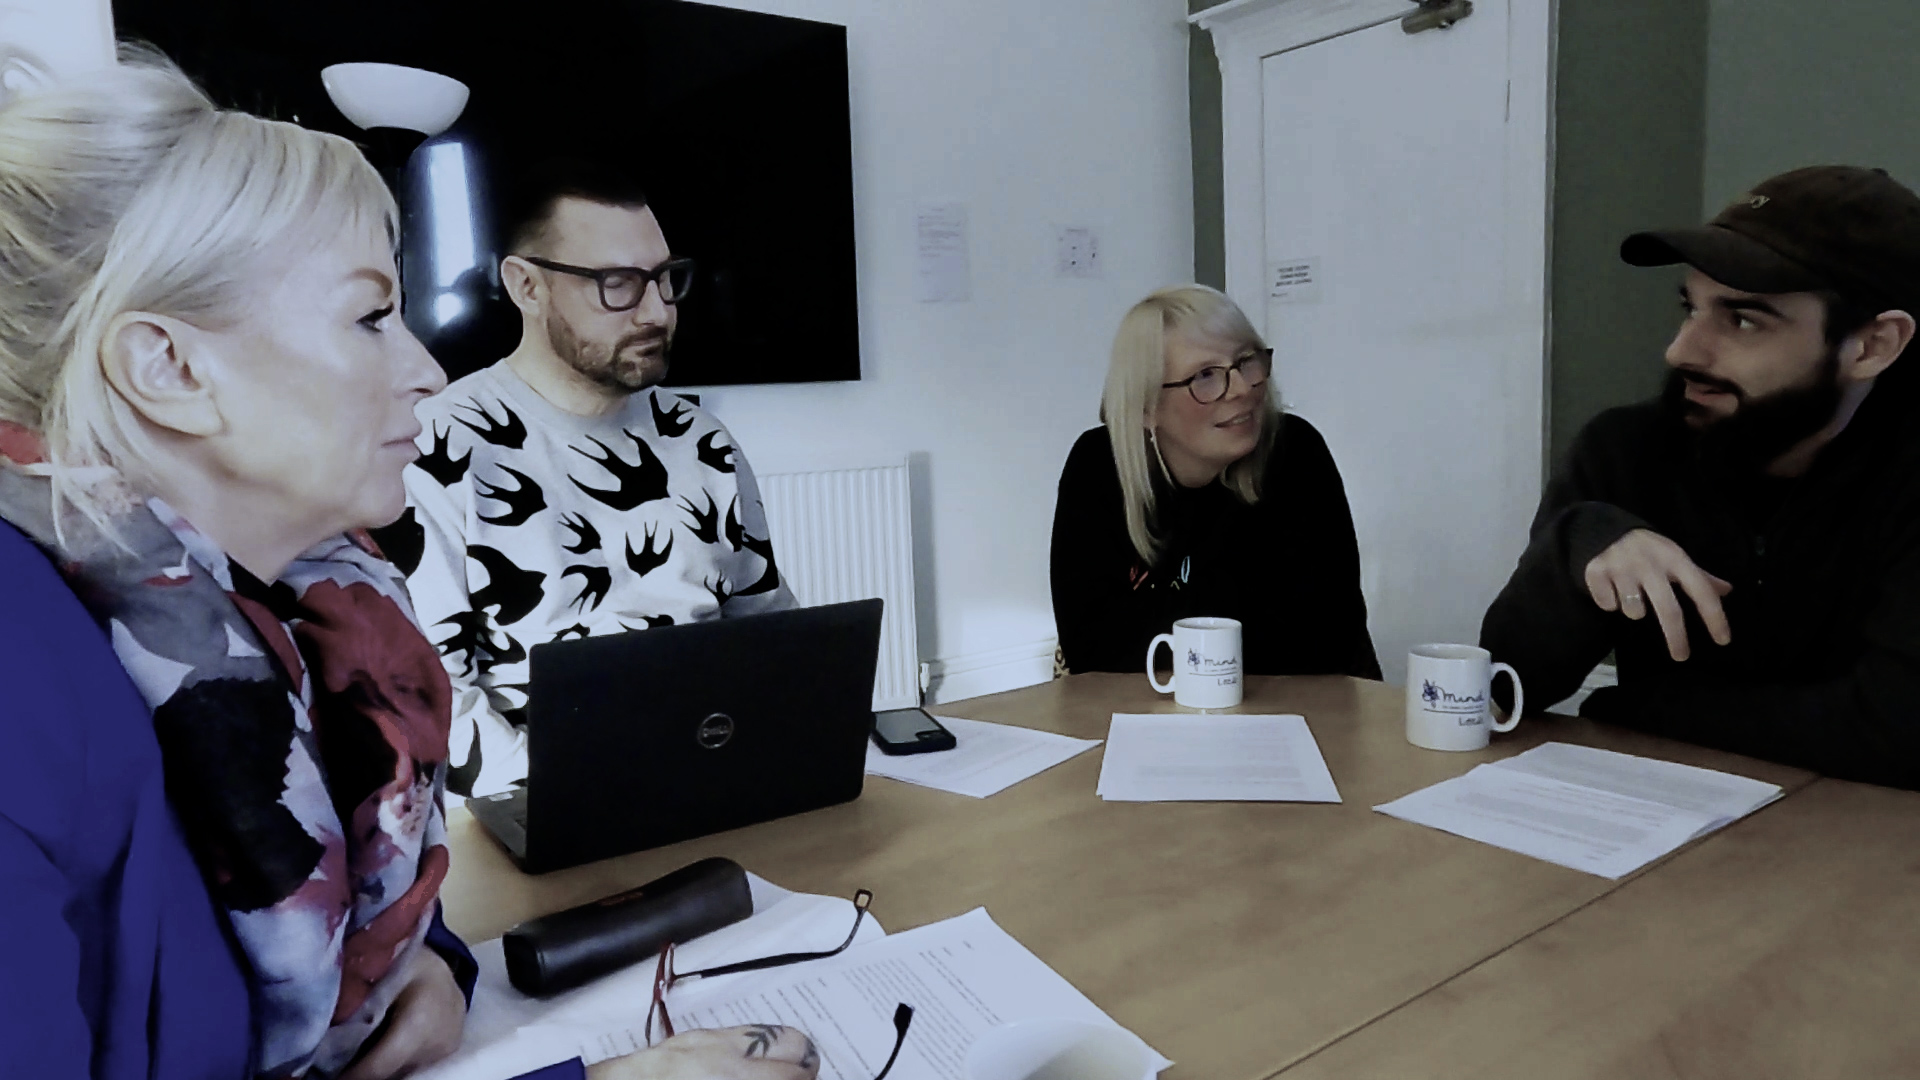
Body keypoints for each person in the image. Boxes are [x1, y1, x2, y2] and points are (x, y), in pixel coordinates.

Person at [0, 53, 817, 1080]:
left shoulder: (317, 606)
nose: (427, 370)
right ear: (170, 368)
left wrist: (420, 965)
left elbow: (349, 886)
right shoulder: (20, 681)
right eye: (370, 317)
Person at [1480, 165, 1920, 790]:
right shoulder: (1626, 451)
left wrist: (1634, 710)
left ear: (1873, 345)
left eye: (1743, 320)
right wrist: (1575, 549)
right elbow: (1506, 685)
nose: (1682, 350)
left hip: (1868, 852)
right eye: (1690, 307)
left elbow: (1898, 733)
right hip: (1661, 833)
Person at [389, 159, 797, 798]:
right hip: (544, 791)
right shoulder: (435, 448)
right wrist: (566, 787)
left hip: (715, 765)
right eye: (618, 283)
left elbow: (771, 631)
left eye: (665, 280)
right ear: (526, 286)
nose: (657, 312)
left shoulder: (702, 439)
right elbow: (431, 696)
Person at [1050, 284, 1379, 679]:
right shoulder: (1099, 466)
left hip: (1306, 717)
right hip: (1152, 716)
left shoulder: (1295, 452)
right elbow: (1093, 650)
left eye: (1246, 361)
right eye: (1205, 376)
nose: (1242, 389)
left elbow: (1324, 641)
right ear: (1145, 407)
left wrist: (1168, 628)